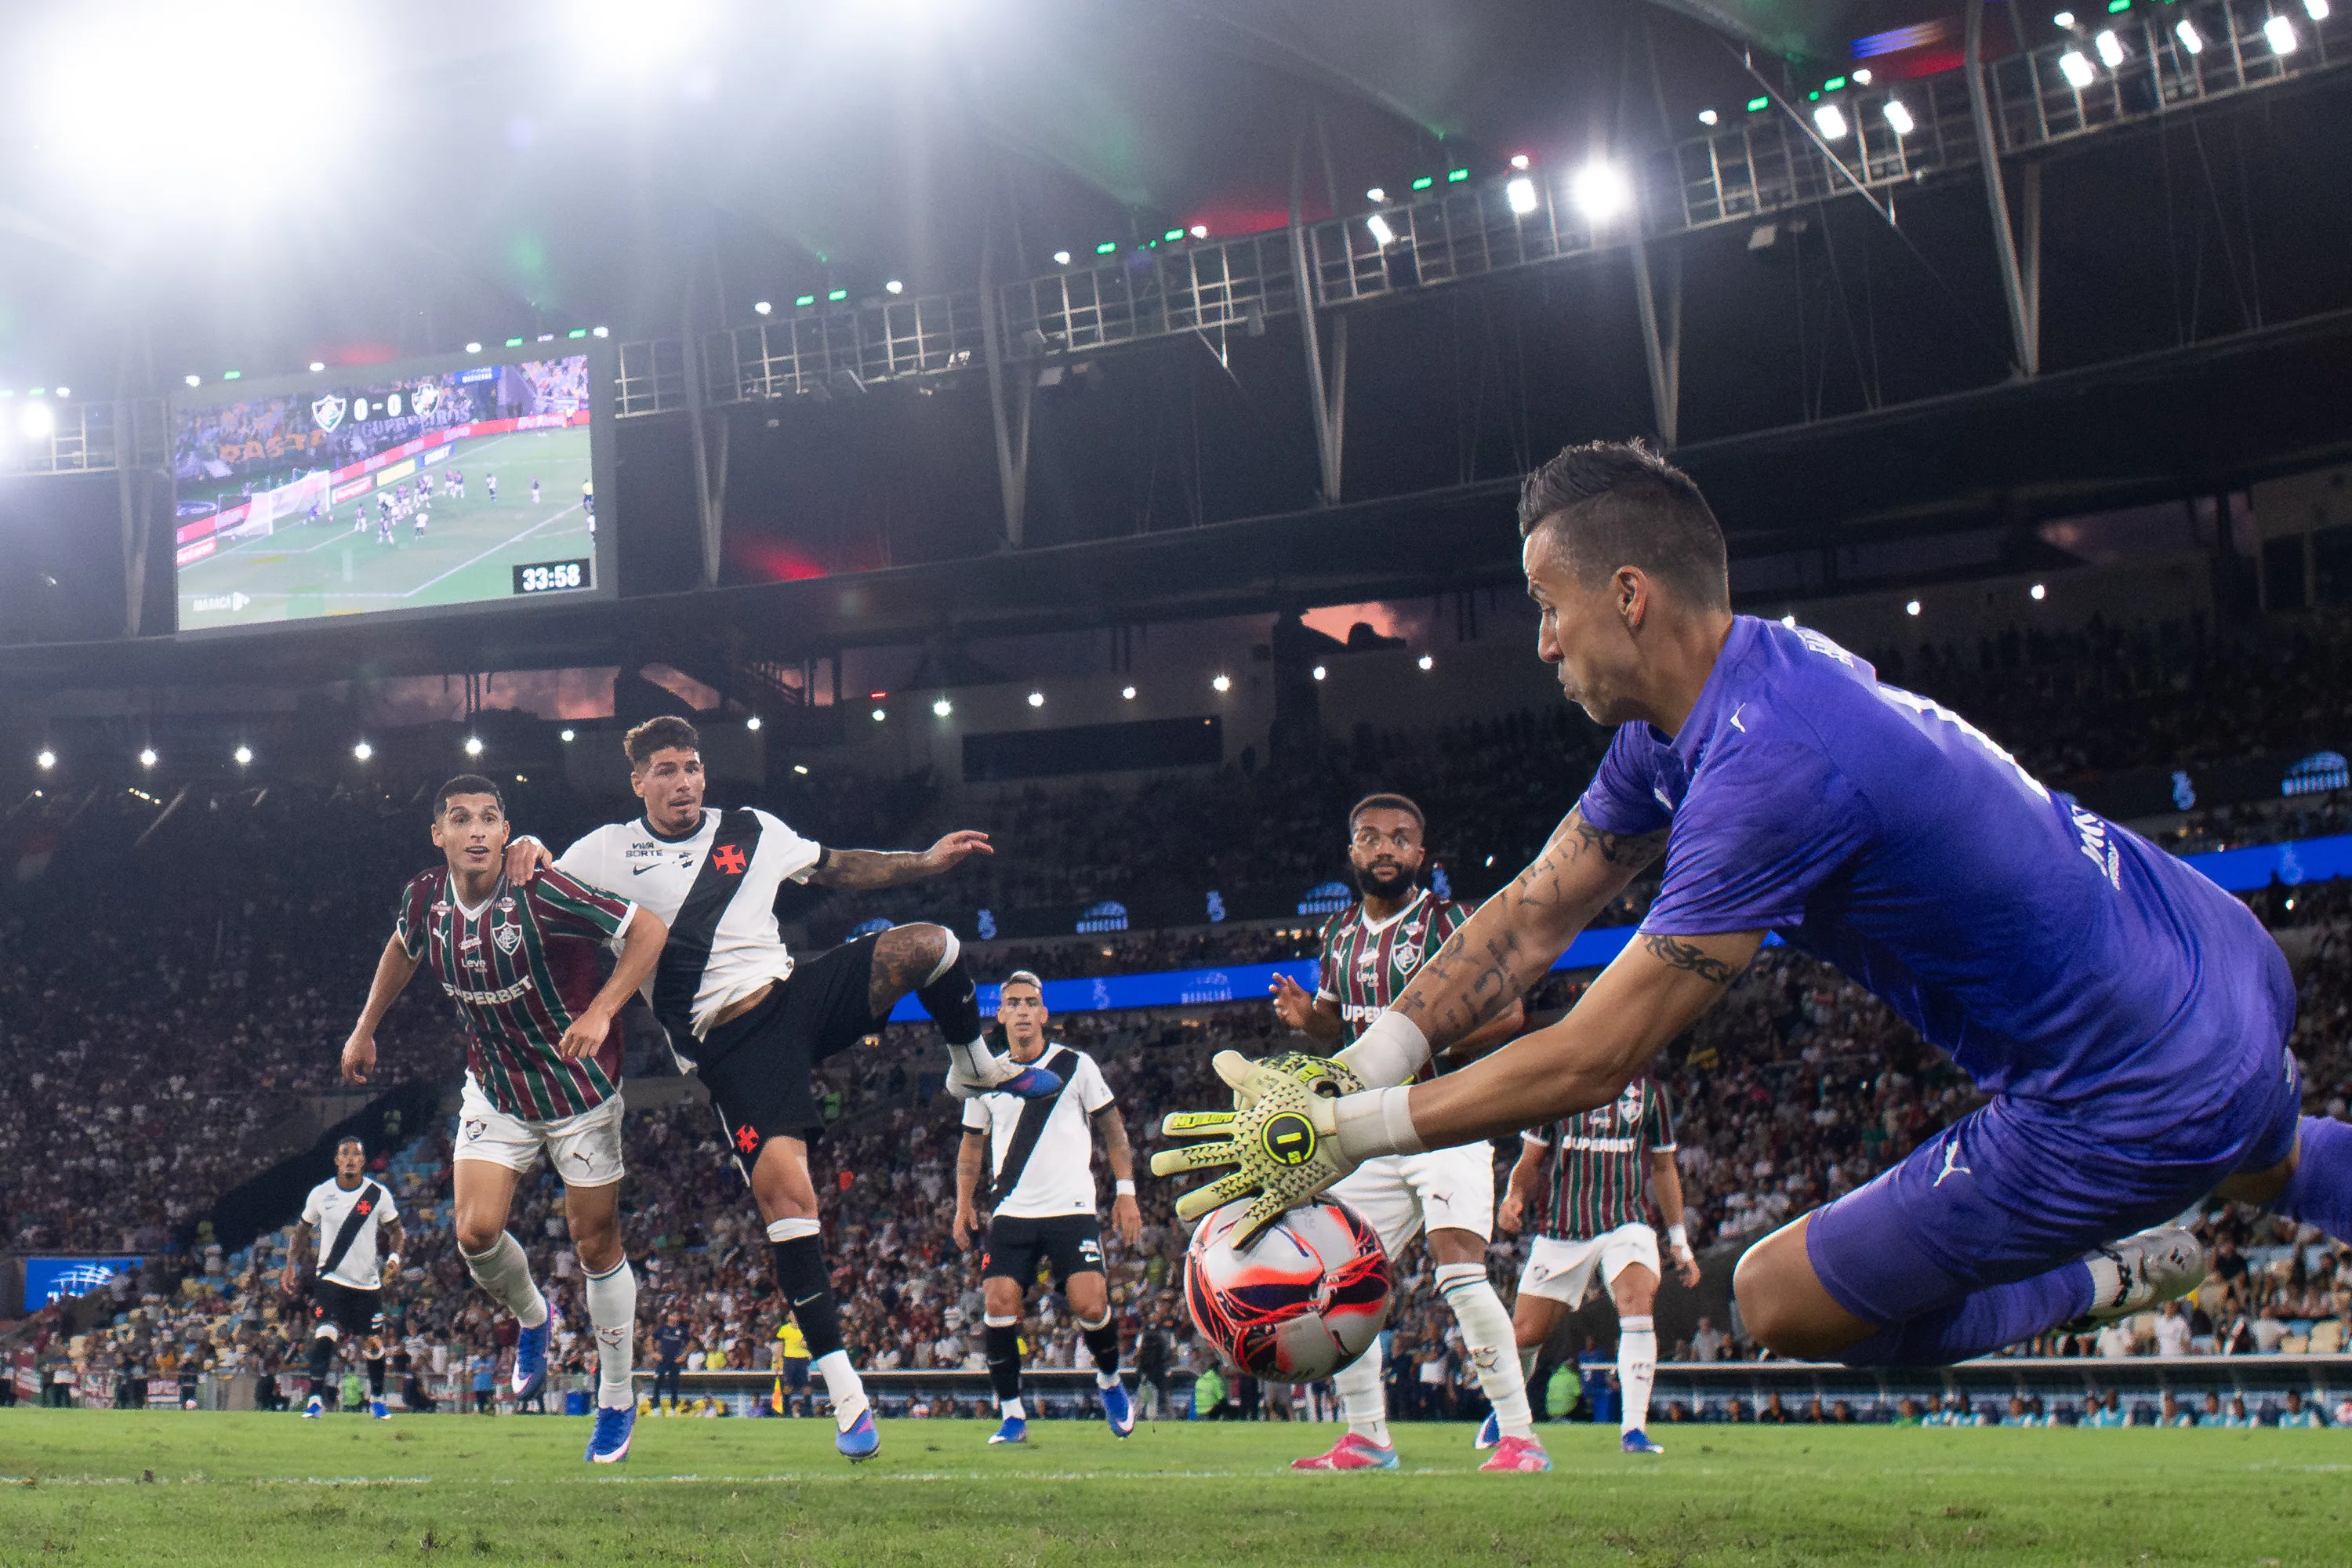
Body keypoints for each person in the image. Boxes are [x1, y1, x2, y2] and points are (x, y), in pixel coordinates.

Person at [1160, 438, 2346, 1377]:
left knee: (1776, 1300)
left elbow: (1595, 1056)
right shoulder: (1727, 698)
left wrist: (1348, 1138)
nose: (1540, 641)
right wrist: (1355, 1071)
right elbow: (1529, 917)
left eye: (1546, 603)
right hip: (2207, 948)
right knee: (2263, 1154)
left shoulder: (1766, 769)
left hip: (2130, 1087)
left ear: (1627, 594)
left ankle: (2104, 1282)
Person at [506, 714, 1058, 1464]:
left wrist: (923, 862)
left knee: (933, 944)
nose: (683, 782)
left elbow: (837, 866)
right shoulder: (604, 851)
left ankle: (971, 1064)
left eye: (692, 766)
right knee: (790, 1204)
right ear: (638, 782)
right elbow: (535, 887)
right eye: (665, 770)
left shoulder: (752, 828)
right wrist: (528, 844)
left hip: (794, 996)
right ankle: (846, 1395)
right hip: (730, 1046)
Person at [341, 773, 670, 1465]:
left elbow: (647, 929)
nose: (479, 830)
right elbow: (403, 947)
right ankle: (534, 1316)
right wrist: (367, 1026)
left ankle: (615, 1398)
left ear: (504, 828)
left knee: (595, 1245)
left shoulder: (540, 890)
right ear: (440, 836)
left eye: (491, 817)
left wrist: (605, 1007)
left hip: (578, 1091)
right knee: (476, 1232)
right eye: (462, 819)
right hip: (497, 1089)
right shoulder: (424, 898)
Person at [1266, 793, 1541, 1473]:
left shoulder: (1452, 923)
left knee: (1460, 1273)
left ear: (1420, 854)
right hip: (1367, 1130)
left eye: (1398, 839)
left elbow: (1508, 1015)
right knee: (1339, 1281)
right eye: (1369, 837)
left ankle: (1520, 1438)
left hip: (1445, 1114)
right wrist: (1308, 1021)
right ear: (1352, 853)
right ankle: (1366, 1437)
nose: (1383, 848)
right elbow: (1339, 1027)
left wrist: (1429, 1048)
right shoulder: (1337, 937)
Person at [953, 971, 1145, 1445]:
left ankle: (1108, 1380)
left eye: (1029, 1002)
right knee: (999, 1307)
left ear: (1043, 1013)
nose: (1021, 1010)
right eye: (1011, 1002)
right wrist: (962, 1205)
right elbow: (971, 1147)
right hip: (1012, 1212)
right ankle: (1013, 1415)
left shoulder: (1076, 1065)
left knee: (1091, 1303)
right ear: (999, 1015)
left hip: (1070, 1207)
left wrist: (1127, 1191)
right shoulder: (986, 1076)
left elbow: (1115, 1131)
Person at [1497, 1073, 1700, 1454]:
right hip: (1564, 1229)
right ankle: (1505, 1412)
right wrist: (1514, 1196)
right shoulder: (1557, 1085)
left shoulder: (1651, 1093)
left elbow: (1663, 1166)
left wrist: (1679, 1241)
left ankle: (1633, 1431)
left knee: (1637, 1305)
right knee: (1525, 1335)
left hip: (1628, 1222)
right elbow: (1530, 1160)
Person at [284, 1136, 405, 1421]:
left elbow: (398, 1231)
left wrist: (395, 1258)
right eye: (344, 1154)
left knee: (373, 1345)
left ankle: (376, 1399)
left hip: (366, 1283)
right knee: (325, 1332)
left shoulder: (377, 1195)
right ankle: (315, 1400)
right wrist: (290, 1264)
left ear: (363, 1161)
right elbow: (301, 1231)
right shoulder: (321, 1194)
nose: (350, 1158)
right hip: (330, 1280)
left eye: (356, 1154)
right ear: (336, 1161)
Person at [652, 1312, 688, 1414]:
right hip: (663, 1360)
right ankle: (655, 1407)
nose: (675, 1318)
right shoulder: (663, 1329)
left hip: (675, 1361)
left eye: (677, 1315)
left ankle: (673, 1408)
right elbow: (650, 1339)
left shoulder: (681, 1331)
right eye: (673, 1315)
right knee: (658, 1381)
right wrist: (654, 1353)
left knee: (674, 1383)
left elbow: (690, 1343)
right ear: (669, 1317)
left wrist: (684, 1355)